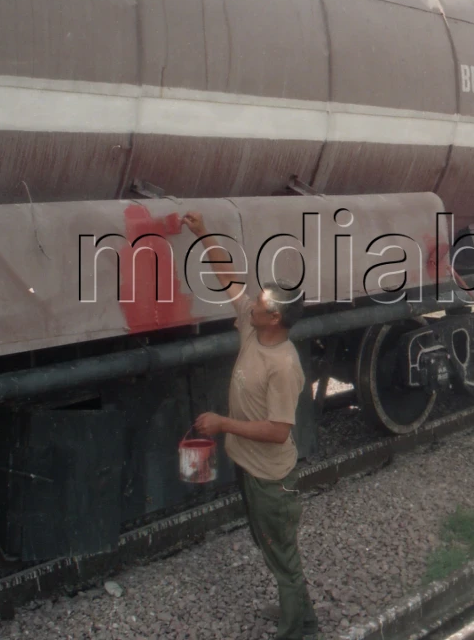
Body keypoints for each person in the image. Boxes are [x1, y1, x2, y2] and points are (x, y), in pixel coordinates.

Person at [182, 211, 318, 640]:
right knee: (270, 546)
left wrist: (224, 423)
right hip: (252, 467)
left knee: (282, 553)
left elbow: (279, 431)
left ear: (274, 318)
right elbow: (229, 279)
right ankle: (298, 613)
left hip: (271, 478)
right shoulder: (252, 328)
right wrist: (203, 232)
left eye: (260, 305)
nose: (252, 304)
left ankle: (297, 630)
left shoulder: (284, 365)